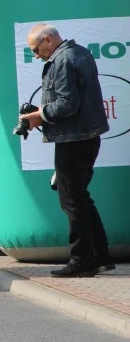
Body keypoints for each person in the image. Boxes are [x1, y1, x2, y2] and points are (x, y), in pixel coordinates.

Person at [20, 24, 113, 277]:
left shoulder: (63, 60)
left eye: (36, 49)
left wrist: (39, 116)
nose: (36, 55)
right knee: (80, 197)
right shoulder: (80, 52)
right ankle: (100, 256)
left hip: (74, 138)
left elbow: (67, 104)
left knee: (71, 200)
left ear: (48, 40)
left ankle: (82, 260)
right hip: (85, 136)